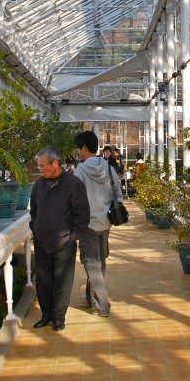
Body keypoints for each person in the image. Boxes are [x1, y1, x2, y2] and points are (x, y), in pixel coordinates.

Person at [29, 145, 90, 331]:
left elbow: (82, 216)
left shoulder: (73, 185)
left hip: (64, 243)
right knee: (43, 280)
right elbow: (34, 212)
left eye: (42, 166)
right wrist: (35, 229)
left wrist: (72, 238)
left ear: (55, 163)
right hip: (42, 242)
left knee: (62, 281)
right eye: (39, 166)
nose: (41, 169)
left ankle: (58, 318)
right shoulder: (38, 186)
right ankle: (46, 315)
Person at [73, 130, 123, 318]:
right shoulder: (109, 166)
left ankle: (101, 305)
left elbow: (74, 200)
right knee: (98, 262)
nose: (78, 152)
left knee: (92, 264)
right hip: (106, 223)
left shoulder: (80, 171)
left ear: (84, 148)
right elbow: (118, 194)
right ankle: (89, 297)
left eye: (78, 148)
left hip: (88, 225)